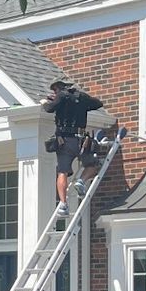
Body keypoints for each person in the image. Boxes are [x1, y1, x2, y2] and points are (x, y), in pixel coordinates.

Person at [43, 78, 104, 207]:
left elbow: (49, 109)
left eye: (55, 89)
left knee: (62, 172)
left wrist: (46, 102)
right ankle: (81, 181)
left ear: (59, 87)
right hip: (82, 141)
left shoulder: (61, 96)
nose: (54, 92)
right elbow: (98, 104)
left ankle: (63, 204)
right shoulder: (81, 97)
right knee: (93, 165)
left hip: (64, 141)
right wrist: (80, 104)